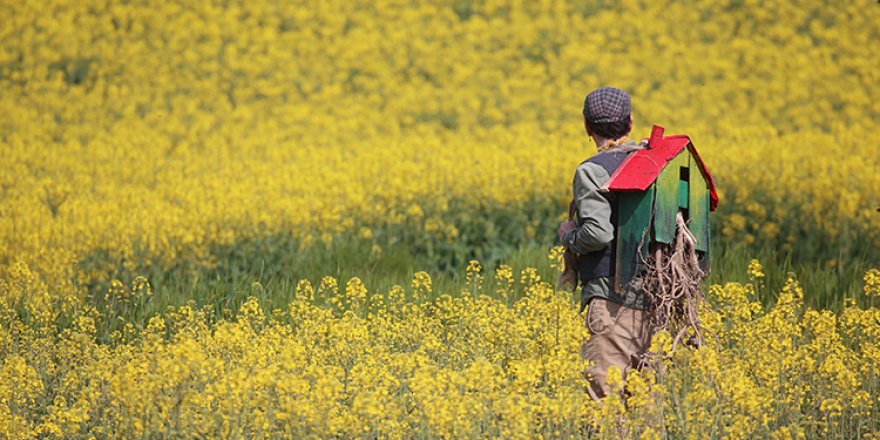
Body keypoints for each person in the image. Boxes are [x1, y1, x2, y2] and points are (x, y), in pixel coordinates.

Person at [558, 87, 653, 400]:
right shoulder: (653, 166)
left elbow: (598, 234)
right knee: (645, 410)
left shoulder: (592, 171)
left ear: (587, 126)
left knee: (606, 407)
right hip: (656, 302)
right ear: (630, 122)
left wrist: (569, 236)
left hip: (612, 302)